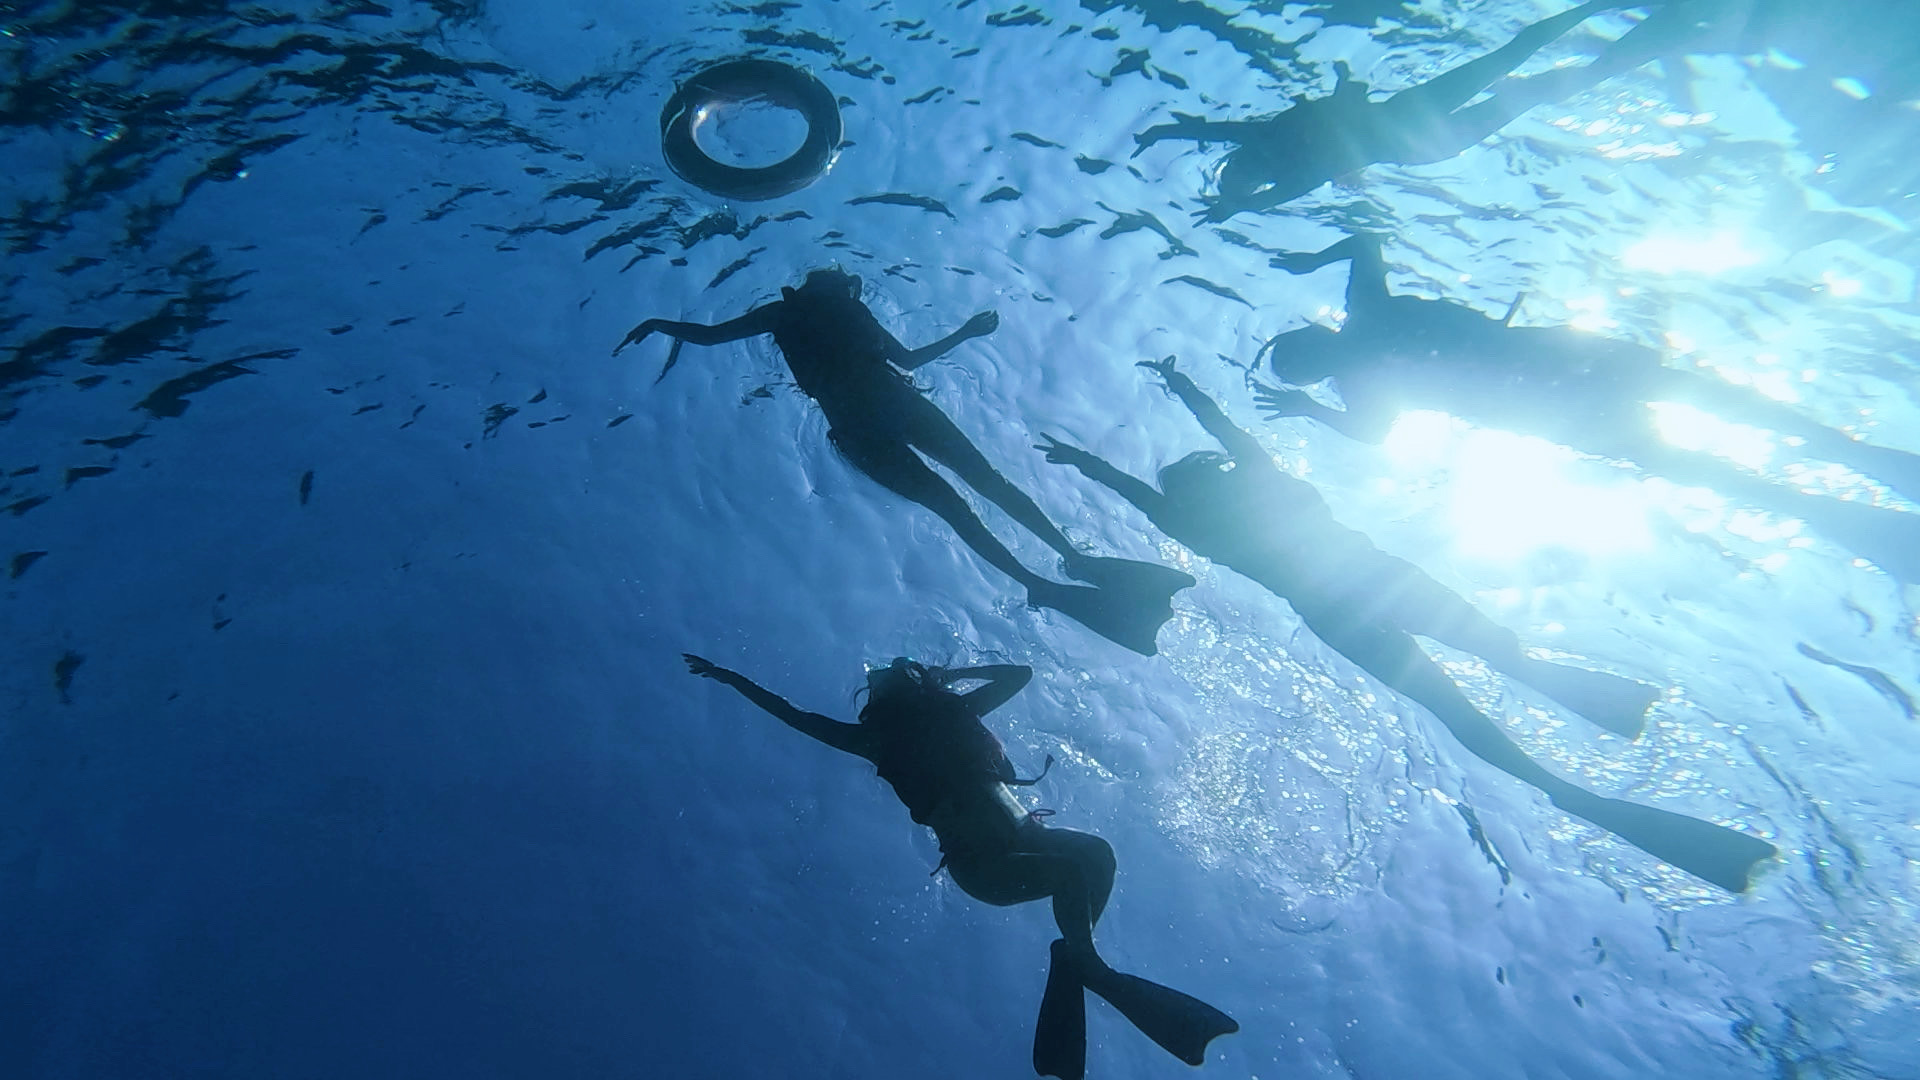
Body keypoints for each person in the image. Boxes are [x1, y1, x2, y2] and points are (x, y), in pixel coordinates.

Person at [1037, 358, 1776, 893]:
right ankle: (1580, 751)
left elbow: (1152, 489)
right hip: (1383, 584)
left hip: (1348, 613)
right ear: (1213, 476)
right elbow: (1224, 445)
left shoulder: (1213, 520)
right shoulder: (1259, 491)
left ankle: (1566, 788)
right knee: (1505, 658)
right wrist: (1180, 390)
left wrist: (1087, 456)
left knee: (1468, 695)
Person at [683, 653, 1239, 1079]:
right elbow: (794, 715)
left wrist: (951, 678)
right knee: (1073, 873)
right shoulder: (878, 741)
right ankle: (1084, 962)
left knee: (1097, 853)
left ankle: (1074, 957)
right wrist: (730, 678)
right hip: (982, 867)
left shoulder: (958, 712)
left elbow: (1019, 673)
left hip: (1029, 837)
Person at [1251, 233, 1920, 582]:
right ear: (1315, 335)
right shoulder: (1364, 328)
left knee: (1711, 435)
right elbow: (1363, 240)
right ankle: (1853, 474)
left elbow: (1370, 432)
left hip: (1556, 396)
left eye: (1310, 365)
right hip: (1560, 379)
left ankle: (1850, 487)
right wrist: (1316, 258)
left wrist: (1310, 412)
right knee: (1719, 421)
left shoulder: (1360, 371)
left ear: (1317, 353)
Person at [616, 269, 1194, 655]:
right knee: (966, 493)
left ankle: (1060, 565)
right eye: (839, 279)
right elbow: (714, 335)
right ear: (831, 287)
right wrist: (661, 323)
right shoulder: (795, 313)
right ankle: (1051, 569)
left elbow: (908, 357)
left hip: (869, 414)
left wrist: (967, 332)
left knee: (969, 493)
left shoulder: (813, 314)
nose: (841, 281)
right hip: (877, 410)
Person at [1132, 0, 1646, 221]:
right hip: (1420, 135)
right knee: (1518, 78)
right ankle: (1616, 50)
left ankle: (1596, 24)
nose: (1248, 165)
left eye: (1241, 169)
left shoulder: (1274, 151)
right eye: (1246, 175)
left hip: (1417, 129)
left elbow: (1208, 129)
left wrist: (1161, 134)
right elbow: (1218, 137)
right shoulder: (1296, 170)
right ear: (1252, 175)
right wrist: (1166, 137)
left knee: (1509, 66)